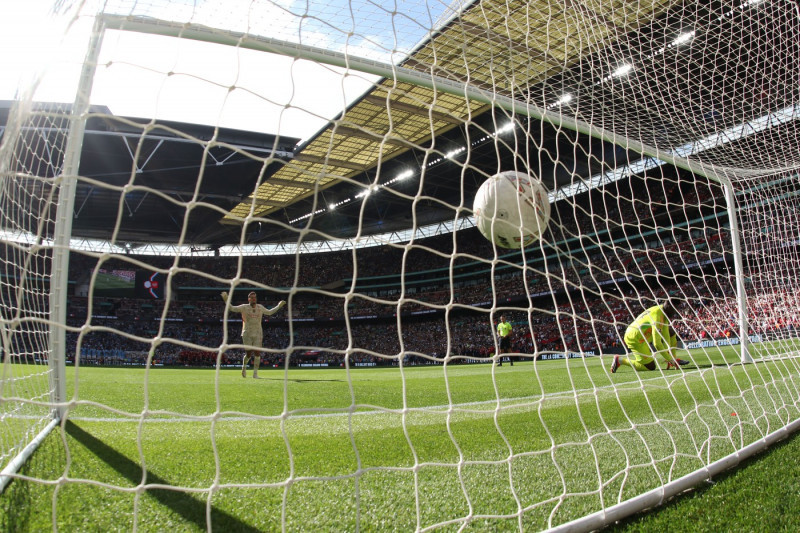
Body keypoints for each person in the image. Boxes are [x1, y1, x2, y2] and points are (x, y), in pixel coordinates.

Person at [611, 300, 689, 373]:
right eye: (674, 309)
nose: (675, 312)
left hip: (644, 334)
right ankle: (620, 360)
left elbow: (666, 337)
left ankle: (673, 360)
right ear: (669, 306)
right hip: (635, 338)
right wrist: (670, 360)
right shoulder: (657, 316)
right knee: (650, 367)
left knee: (671, 332)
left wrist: (671, 358)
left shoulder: (663, 313)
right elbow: (657, 344)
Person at [221, 291, 286, 378]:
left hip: (258, 333)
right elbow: (232, 308)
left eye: (255, 297)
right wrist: (226, 299)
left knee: (257, 353)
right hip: (247, 333)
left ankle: (255, 374)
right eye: (252, 298)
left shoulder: (260, 307)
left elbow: (269, 312)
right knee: (248, 354)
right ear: (249, 299)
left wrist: (278, 306)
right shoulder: (244, 307)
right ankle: (244, 367)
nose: (253, 299)